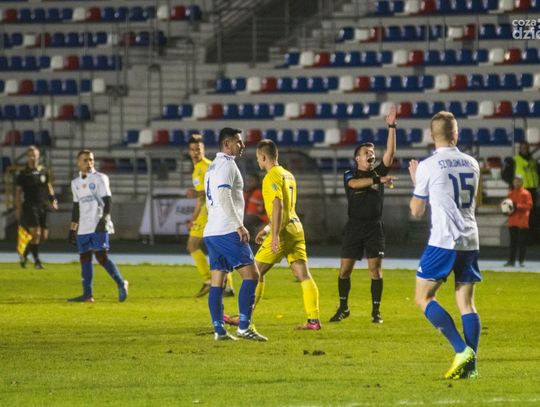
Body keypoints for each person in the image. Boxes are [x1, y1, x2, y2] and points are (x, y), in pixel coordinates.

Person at [408, 111, 481, 380]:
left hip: (444, 240)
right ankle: (470, 366)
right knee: (466, 303)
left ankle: (461, 350)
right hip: (470, 239)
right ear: (455, 134)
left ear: (432, 135)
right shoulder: (473, 163)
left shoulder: (428, 166)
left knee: (424, 297)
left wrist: (418, 183)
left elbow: (417, 210)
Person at [329, 105, 397, 324]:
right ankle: (343, 308)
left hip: (374, 227)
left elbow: (390, 154)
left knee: (375, 270)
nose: (371, 155)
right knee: (344, 270)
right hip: (354, 227)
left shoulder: (378, 172)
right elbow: (354, 184)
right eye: (367, 153)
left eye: (372, 153)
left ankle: (376, 312)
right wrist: (378, 180)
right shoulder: (350, 174)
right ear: (357, 158)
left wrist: (392, 127)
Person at [203, 127, 267, 341]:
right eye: (238, 141)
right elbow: (223, 196)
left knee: (217, 282)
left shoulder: (212, 166)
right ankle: (244, 327)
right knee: (252, 276)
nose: (242, 145)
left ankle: (219, 330)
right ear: (227, 144)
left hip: (212, 231)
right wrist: (238, 225)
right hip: (227, 230)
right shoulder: (228, 165)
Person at [253, 139, 321, 330]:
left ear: (263, 157)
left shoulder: (271, 176)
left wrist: (274, 235)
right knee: (303, 274)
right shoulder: (288, 175)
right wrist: (268, 229)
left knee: (254, 272)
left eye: (258, 157)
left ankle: (244, 317)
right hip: (296, 228)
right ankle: (313, 320)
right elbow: (287, 209)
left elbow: (278, 205)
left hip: (283, 232)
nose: (257, 161)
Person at [67, 149, 128, 303]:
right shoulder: (75, 183)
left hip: (98, 223)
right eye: (85, 160)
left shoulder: (100, 178)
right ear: (78, 163)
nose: (89, 163)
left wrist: (104, 220)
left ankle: (121, 283)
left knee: (101, 257)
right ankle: (87, 295)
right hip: (83, 227)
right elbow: (76, 207)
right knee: (84, 257)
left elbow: (108, 200)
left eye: (91, 160)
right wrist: (72, 229)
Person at [186, 134, 234, 297]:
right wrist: (193, 218)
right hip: (207, 210)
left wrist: (196, 193)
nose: (195, 152)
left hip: (211, 211)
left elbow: (212, 190)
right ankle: (227, 286)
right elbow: (201, 197)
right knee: (215, 246)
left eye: (198, 149)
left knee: (193, 245)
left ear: (203, 150)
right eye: (193, 149)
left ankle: (209, 280)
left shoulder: (207, 166)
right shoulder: (197, 169)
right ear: (189, 151)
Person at [15, 145, 58, 269]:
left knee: (43, 236)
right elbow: (18, 192)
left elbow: (48, 186)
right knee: (36, 233)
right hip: (30, 205)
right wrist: (18, 208)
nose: (32, 157)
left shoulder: (43, 171)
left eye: (34, 155)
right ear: (27, 157)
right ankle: (37, 262)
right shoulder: (23, 173)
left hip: (43, 206)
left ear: (38, 156)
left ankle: (24, 254)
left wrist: (53, 200)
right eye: (30, 155)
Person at [504, 174, 533, 267]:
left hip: (522, 221)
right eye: (515, 181)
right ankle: (511, 261)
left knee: (522, 243)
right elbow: (507, 207)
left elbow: (529, 206)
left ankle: (521, 261)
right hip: (512, 221)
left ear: (522, 182)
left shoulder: (526, 193)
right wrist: (505, 211)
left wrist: (517, 206)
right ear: (513, 182)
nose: (517, 183)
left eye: (518, 181)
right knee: (513, 242)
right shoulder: (510, 194)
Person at [512, 142, 538, 238]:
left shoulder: (533, 161)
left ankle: (531, 237)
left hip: (533, 190)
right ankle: (522, 238)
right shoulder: (514, 160)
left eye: (526, 148)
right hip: (521, 190)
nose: (525, 149)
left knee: (532, 214)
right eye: (523, 148)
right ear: (520, 149)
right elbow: (507, 175)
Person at [243, 173, 268, 240]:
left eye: (251, 180)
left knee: (244, 220)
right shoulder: (245, 192)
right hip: (249, 218)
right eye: (247, 180)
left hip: (260, 218)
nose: (248, 182)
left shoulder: (261, 192)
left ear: (257, 181)